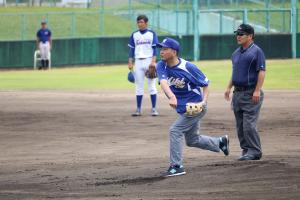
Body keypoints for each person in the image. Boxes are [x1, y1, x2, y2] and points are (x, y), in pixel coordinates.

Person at [156, 37, 229, 177]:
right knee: (192, 140)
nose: (162, 51)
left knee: (175, 130)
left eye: (165, 49)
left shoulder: (188, 67)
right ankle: (220, 143)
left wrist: (204, 102)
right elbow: (164, 82)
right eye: (161, 48)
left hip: (196, 107)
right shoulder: (162, 65)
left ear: (174, 52)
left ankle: (176, 166)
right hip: (185, 109)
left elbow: (206, 84)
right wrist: (172, 96)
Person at [224, 24, 266, 161]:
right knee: (240, 126)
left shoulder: (257, 51)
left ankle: (255, 151)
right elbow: (235, 72)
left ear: (250, 36)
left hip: (250, 93)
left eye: (241, 34)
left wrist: (257, 90)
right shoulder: (236, 53)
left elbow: (262, 71)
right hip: (238, 94)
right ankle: (246, 150)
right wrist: (228, 87)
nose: (238, 36)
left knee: (248, 125)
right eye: (237, 34)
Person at [128, 14, 159, 116]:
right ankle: (138, 109)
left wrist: (153, 62)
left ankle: (154, 109)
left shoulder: (152, 34)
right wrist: (130, 62)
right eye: (138, 22)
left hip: (149, 61)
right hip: (138, 62)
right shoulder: (134, 34)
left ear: (146, 23)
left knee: (151, 86)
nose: (139, 24)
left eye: (141, 22)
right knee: (139, 86)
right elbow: (131, 49)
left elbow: (155, 49)